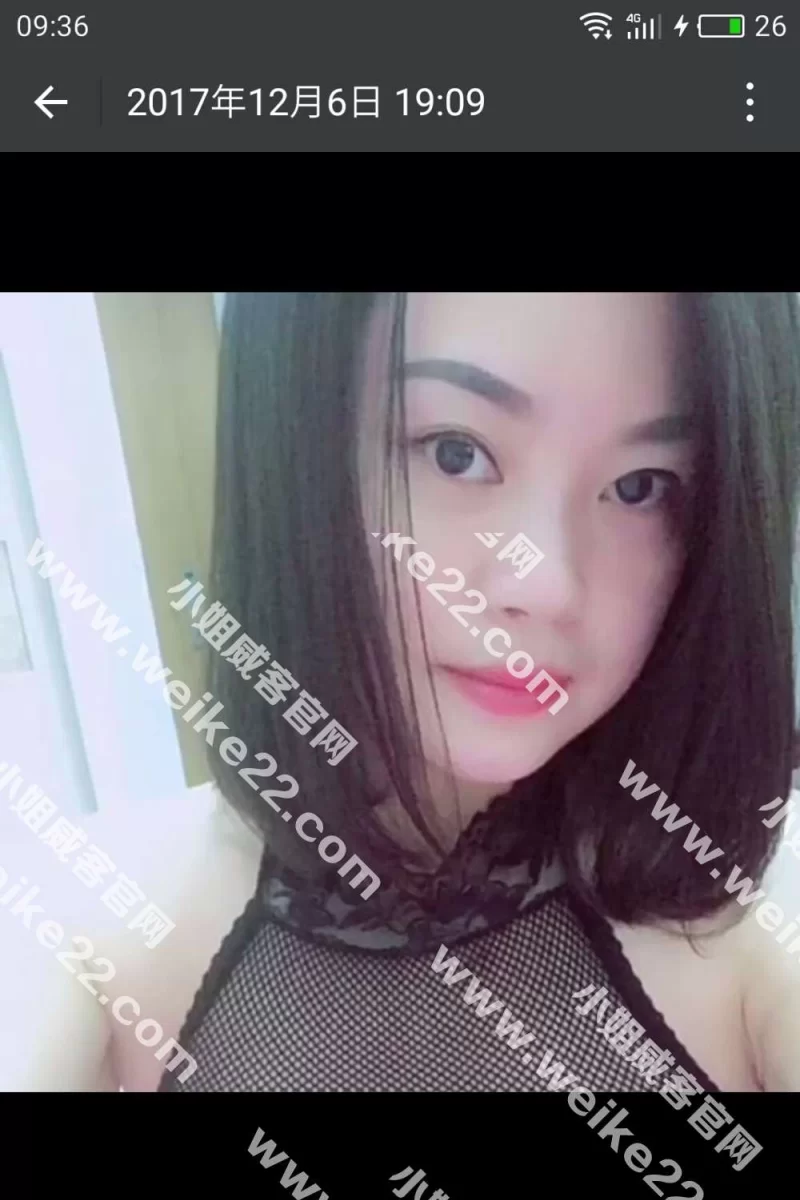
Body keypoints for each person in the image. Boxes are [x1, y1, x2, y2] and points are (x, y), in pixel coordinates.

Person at [2, 291, 800, 1094]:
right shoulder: (88, 920)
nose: (546, 583)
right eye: (456, 452)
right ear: (294, 448)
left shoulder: (753, 908)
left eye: (640, 486)